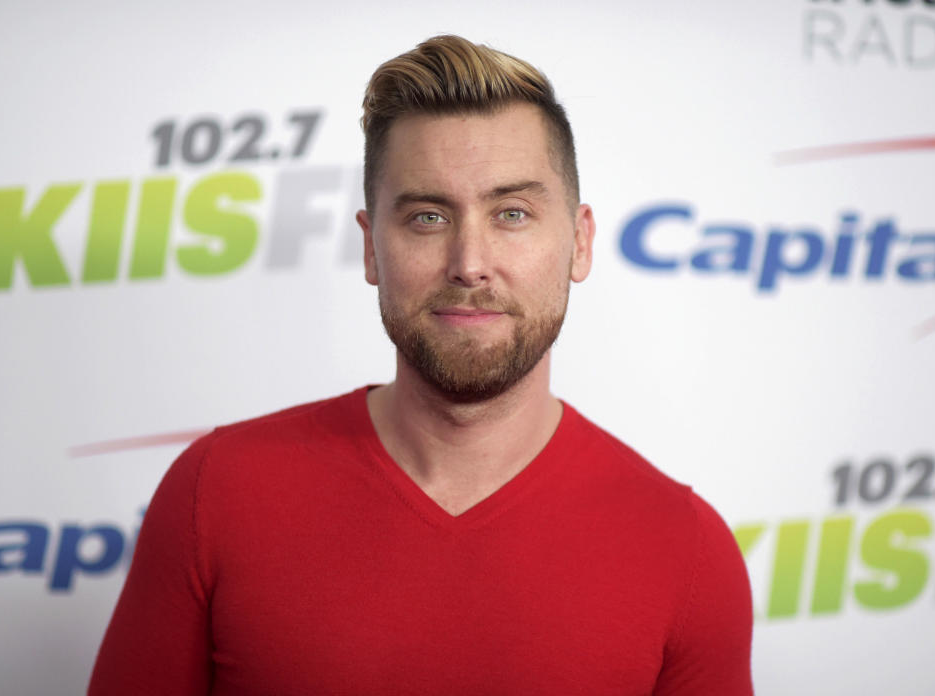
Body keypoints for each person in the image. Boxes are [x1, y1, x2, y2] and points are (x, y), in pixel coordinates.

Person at [88, 35, 753, 695]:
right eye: (428, 217)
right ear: (372, 248)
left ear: (579, 243)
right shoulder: (215, 492)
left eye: (512, 213)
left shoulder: (686, 551)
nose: (469, 262)